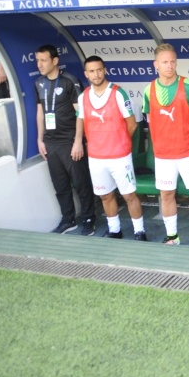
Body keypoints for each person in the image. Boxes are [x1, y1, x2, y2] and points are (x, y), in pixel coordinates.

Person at [143, 44, 189, 248]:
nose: (169, 65)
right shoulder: (149, 90)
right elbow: (151, 118)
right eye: (165, 62)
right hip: (164, 155)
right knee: (166, 194)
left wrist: (183, 129)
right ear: (156, 64)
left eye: (173, 61)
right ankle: (172, 236)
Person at [76, 55, 146, 240]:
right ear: (86, 74)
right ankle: (114, 230)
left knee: (129, 195)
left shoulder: (118, 93)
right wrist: (77, 141)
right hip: (96, 157)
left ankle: (139, 231)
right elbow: (80, 120)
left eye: (99, 70)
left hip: (119, 156)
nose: (96, 74)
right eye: (92, 71)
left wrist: (119, 142)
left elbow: (132, 124)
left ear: (105, 70)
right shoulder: (83, 97)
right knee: (105, 196)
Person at [34, 45, 97, 236]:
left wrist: (78, 141)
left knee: (81, 183)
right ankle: (68, 219)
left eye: (43, 60)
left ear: (55, 61)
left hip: (70, 141)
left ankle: (89, 219)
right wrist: (40, 139)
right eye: (37, 61)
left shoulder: (70, 81)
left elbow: (81, 114)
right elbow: (40, 113)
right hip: (51, 142)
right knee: (60, 185)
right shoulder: (39, 83)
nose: (39, 65)